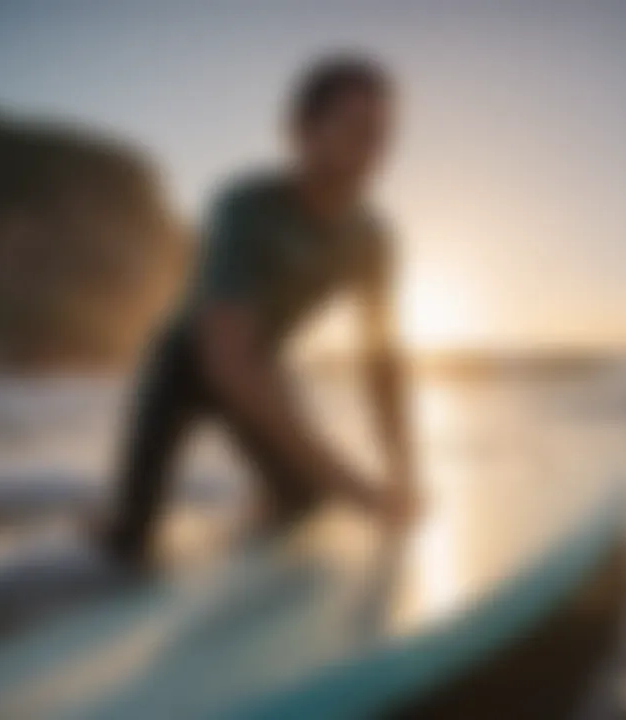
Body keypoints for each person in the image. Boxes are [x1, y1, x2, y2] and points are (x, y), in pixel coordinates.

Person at [105, 55, 415, 564]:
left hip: (263, 360)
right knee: (128, 538)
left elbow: (382, 362)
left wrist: (404, 473)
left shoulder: (372, 238)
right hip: (185, 362)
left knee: (305, 501)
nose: (374, 152)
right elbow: (227, 360)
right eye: (358, 130)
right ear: (302, 131)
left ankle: (244, 534)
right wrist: (356, 487)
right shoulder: (245, 206)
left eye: (384, 135)